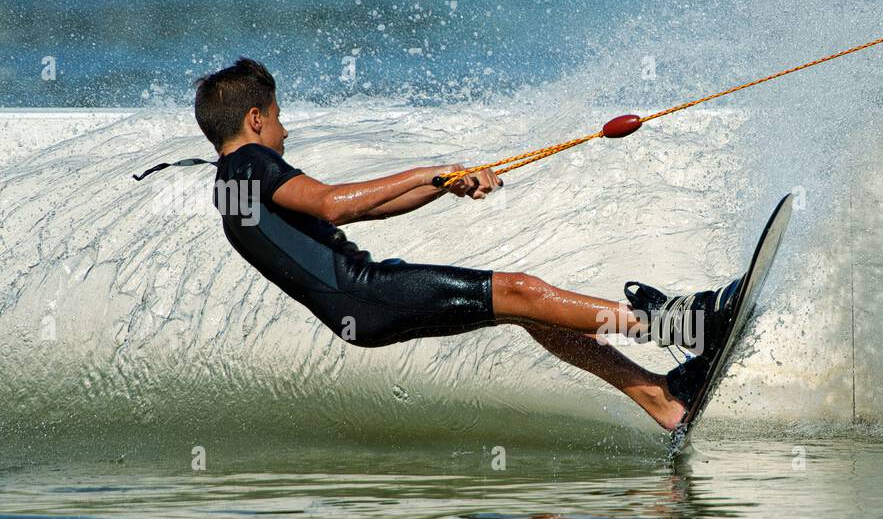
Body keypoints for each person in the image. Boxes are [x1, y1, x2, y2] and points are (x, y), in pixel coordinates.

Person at [185, 58, 738, 431]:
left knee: (528, 311)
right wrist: (433, 169)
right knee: (521, 290)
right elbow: (335, 204)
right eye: (280, 118)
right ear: (255, 118)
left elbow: (368, 208)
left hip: (363, 302)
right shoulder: (251, 162)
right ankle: (677, 324)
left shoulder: (234, 180)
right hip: (368, 295)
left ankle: (661, 399)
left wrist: (441, 187)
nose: (287, 130)